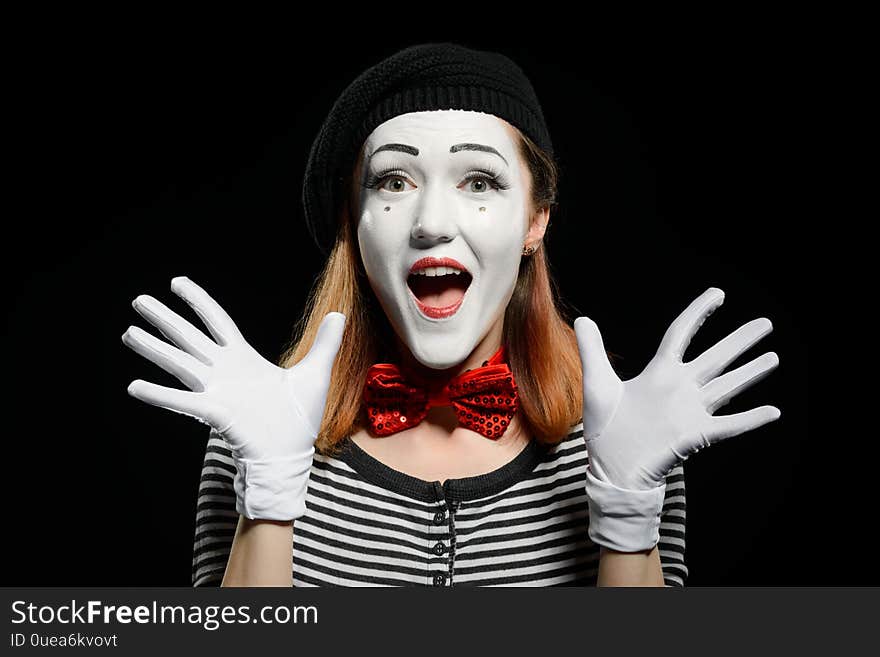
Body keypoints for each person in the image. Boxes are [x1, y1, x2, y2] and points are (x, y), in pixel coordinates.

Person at [122, 42, 780, 587]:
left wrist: (628, 510)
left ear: (536, 220)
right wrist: (267, 495)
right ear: (353, 224)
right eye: (394, 182)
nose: (432, 223)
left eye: (481, 182)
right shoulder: (257, 430)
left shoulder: (628, 436)